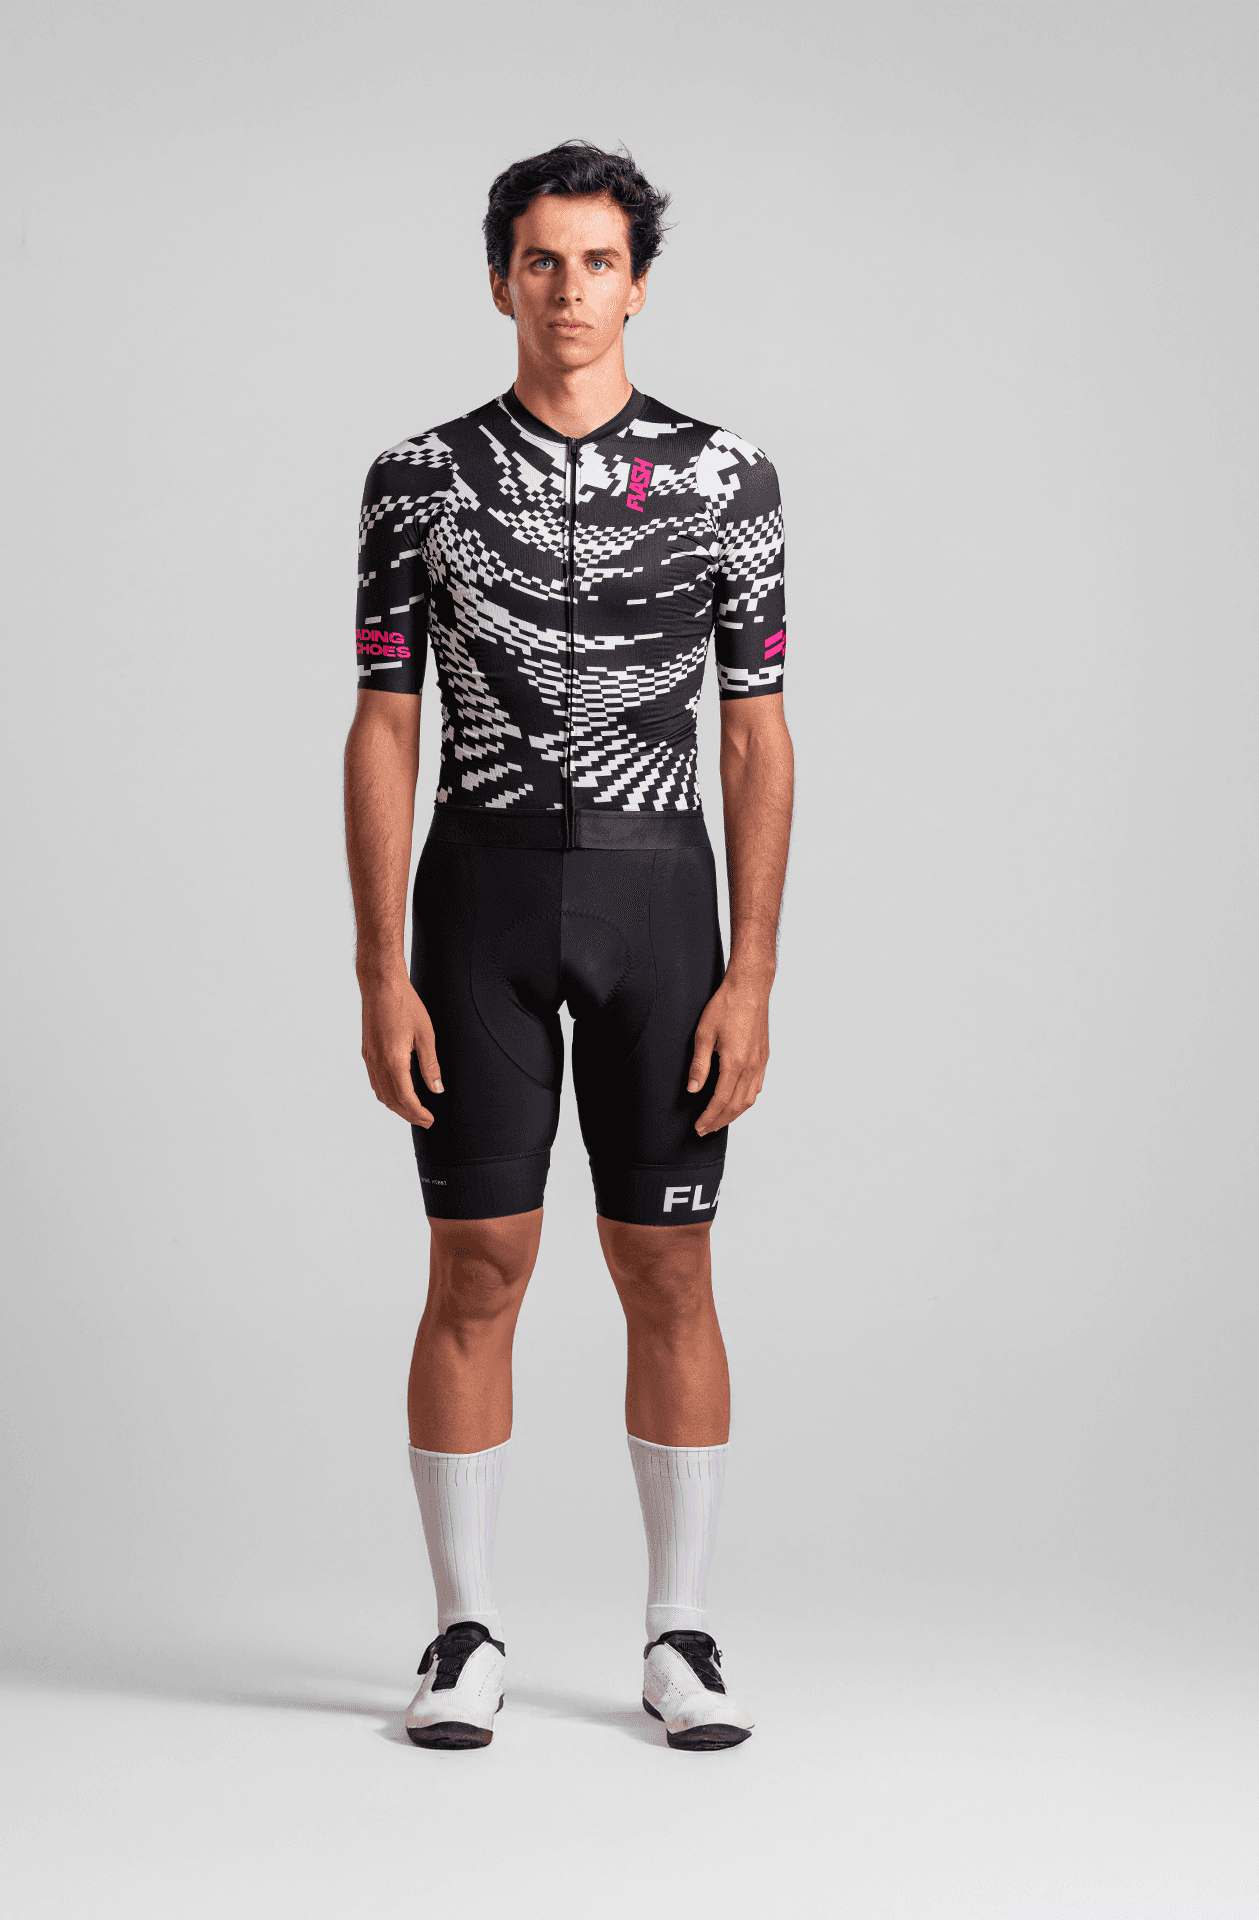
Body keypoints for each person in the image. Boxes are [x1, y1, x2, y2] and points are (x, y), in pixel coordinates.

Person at [343, 140, 793, 1751]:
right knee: (477, 1264)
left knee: (669, 1266)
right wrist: (377, 966)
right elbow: (384, 722)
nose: (570, 290)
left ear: (638, 285)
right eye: (542, 260)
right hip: (478, 900)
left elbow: (755, 731)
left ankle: (683, 1636)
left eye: (599, 261)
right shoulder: (420, 477)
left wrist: (753, 969)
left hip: (660, 904)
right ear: (500, 281)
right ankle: (462, 1634)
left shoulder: (727, 475)